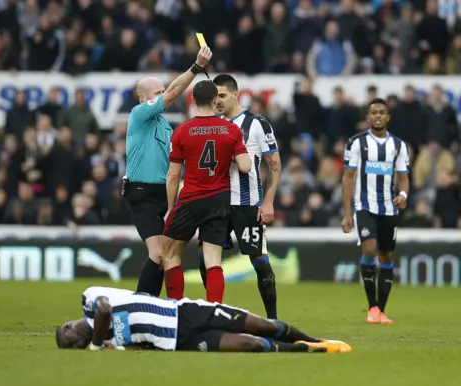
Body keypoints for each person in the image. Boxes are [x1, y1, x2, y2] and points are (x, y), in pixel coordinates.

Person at [124, 46, 212, 297]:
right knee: (159, 252)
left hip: (164, 194)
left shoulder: (165, 127)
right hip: (142, 193)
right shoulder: (139, 115)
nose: (164, 95)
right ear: (143, 99)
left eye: (162, 91)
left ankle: (149, 307)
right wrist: (196, 68)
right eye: (158, 93)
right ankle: (141, 306)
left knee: (167, 255)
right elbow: (174, 92)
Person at [194, 74, 282, 319]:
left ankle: (272, 320)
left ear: (235, 94)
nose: (217, 101)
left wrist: (268, 201)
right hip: (217, 203)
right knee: (205, 259)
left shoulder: (257, 123)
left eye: (222, 95)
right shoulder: (210, 123)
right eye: (214, 97)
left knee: (260, 261)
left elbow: (274, 165)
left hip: (248, 205)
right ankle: (214, 313)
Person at [55, 286, 352, 354]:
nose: (76, 341)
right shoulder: (108, 343)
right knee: (250, 345)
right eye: (75, 346)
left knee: (265, 325)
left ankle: (315, 339)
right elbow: (140, 347)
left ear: (70, 326)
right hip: (177, 341)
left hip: (186, 311)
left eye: (70, 337)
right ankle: (311, 351)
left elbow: (106, 309)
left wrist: (96, 345)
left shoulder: (89, 301)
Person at [162, 80, 252, 303]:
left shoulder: (182, 132)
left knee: (170, 254)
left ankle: (175, 308)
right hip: (219, 200)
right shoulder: (232, 131)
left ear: (193, 100)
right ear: (215, 100)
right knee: (213, 261)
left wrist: (171, 208)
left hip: (191, 199)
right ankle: (215, 313)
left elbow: (173, 176)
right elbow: (245, 166)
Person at [341, 98, 409, 325]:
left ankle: (381, 310)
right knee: (370, 248)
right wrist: (348, 213)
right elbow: (348, 178)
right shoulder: (356, 143)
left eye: (382, 112)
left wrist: (404, 195)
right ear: (368, 117)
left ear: (388, 117)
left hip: (389, 208)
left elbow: (403, 178)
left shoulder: (398, 146)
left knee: (387, 255)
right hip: (365, 206)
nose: (378, 116)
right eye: (373, 112)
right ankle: (372, 307)